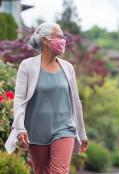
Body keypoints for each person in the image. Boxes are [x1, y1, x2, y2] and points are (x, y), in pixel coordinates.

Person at [4, 22, 88, 174]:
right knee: (41, 171)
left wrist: (81, 133)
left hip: (64, 129)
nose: (63, 40)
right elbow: (19, 100)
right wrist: (20, 128)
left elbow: (75, 101)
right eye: (59, 36)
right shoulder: (27, 66)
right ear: (45, 40)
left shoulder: (68, 67)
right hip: (36, 131)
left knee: (59, 171)